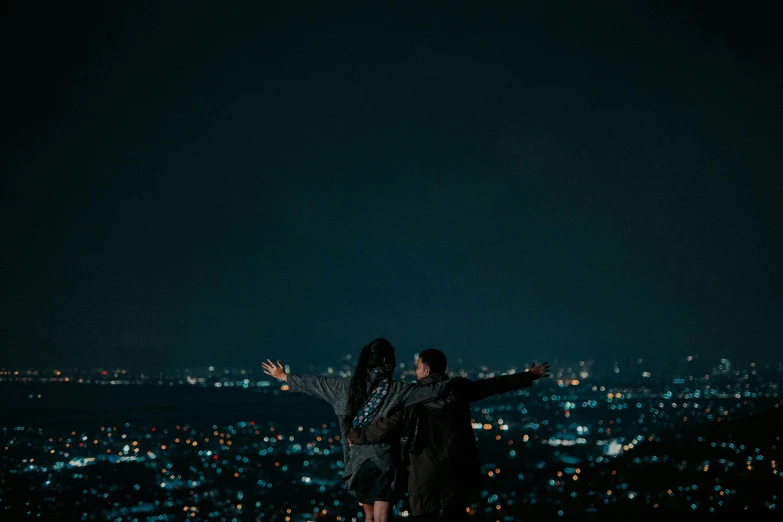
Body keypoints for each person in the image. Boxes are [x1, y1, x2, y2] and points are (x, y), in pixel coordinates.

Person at [347, 349, 550, 521]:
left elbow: (386, 426)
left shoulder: (413, 396)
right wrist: (528, 375)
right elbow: (492, 385)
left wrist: (356, 435)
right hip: (456, 468)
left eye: (418, 367)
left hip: (424, 471)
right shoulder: (459, 389)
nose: (416, 371)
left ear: (426, 371)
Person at [262, 338, 452, 522]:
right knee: (382, 518)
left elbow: (316, 384)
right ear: (387, 363)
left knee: (369, 517)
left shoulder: (344, 387)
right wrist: (456, 383)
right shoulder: (396, 390)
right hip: (384, 462)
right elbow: (433, 391)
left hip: (357, 463)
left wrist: (284, 376)